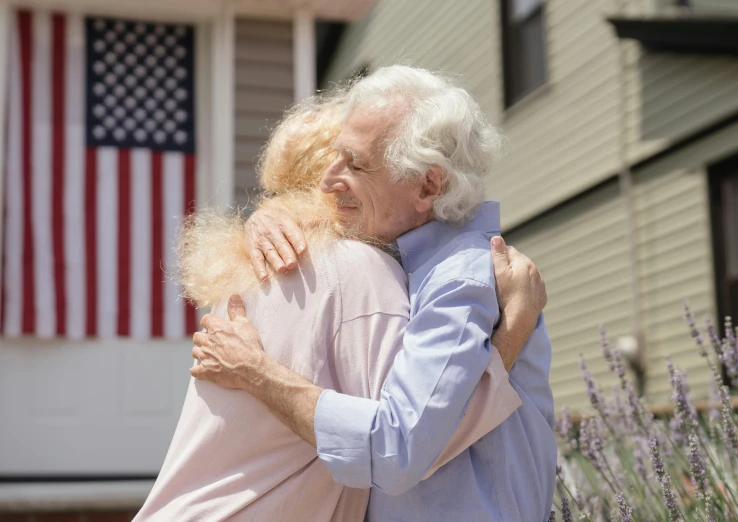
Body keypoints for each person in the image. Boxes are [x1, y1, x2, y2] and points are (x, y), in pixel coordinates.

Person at [134, 94, 539, 521]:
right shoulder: (358, 272)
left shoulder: (254, 268)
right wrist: (511, 334)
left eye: (355, 163)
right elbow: (405, 447)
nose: (335, 177)